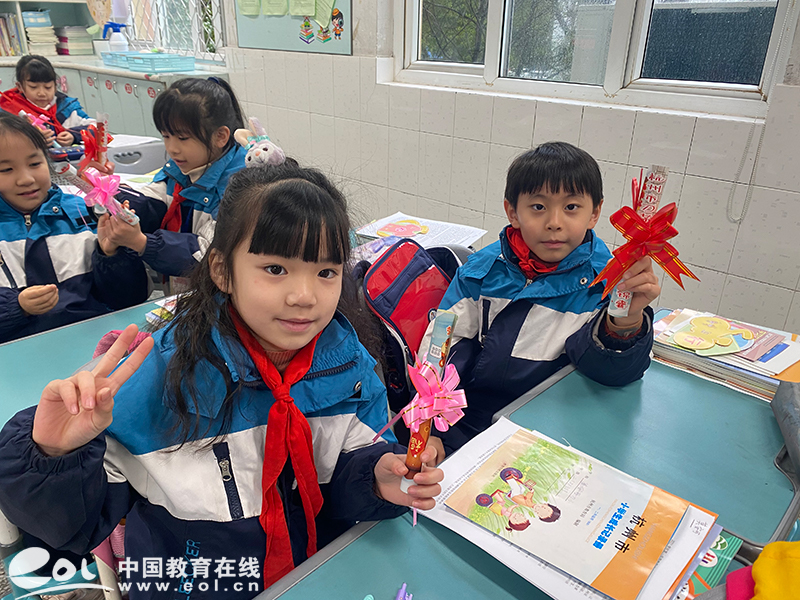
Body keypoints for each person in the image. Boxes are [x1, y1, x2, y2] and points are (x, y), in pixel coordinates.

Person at [0, 163, 443, 599]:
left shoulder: (349, 366)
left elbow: (341, 473)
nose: (304, 296)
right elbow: (69, 526)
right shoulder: (155, 380)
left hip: (311, 577)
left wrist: (374, 477)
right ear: (222, 270)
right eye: (275, 269)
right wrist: (51, 456)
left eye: (326, 272)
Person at [421, 142, 660, 455]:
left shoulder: (608, 283)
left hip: (557, 434)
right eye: (538, 207)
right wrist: (430, 428)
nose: (554, 222)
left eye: (571, 207)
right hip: (470, 424)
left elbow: (612, 375)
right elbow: (438, 348)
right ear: (513, 212)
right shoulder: (479, 274)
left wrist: (626, 321)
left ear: (594, 213)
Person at [0, 113, 147, 343]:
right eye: (6, 170)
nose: (26, 179)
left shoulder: (84, 212)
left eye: (35, 164)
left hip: (96, 342)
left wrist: (111, 255)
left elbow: (129, 299)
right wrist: (17, 307)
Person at [108, 77, 247, 289]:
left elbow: (208, 254)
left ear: (220, 136)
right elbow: (154, 197)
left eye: (182, 138)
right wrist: (112, 197)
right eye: (166, 136)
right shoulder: (185, 167)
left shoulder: (240, 187)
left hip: (221, 295)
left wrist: (142, 243)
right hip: (185, 292)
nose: (172, 148)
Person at [0, 55, 95, 146]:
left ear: (55, 85)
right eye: (33, 87)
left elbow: (96, 128)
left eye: (48, 87)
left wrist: (74, 136)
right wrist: (31, 141)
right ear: (20, 86)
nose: (42, 93)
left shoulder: (66, 107)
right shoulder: (9, 111)